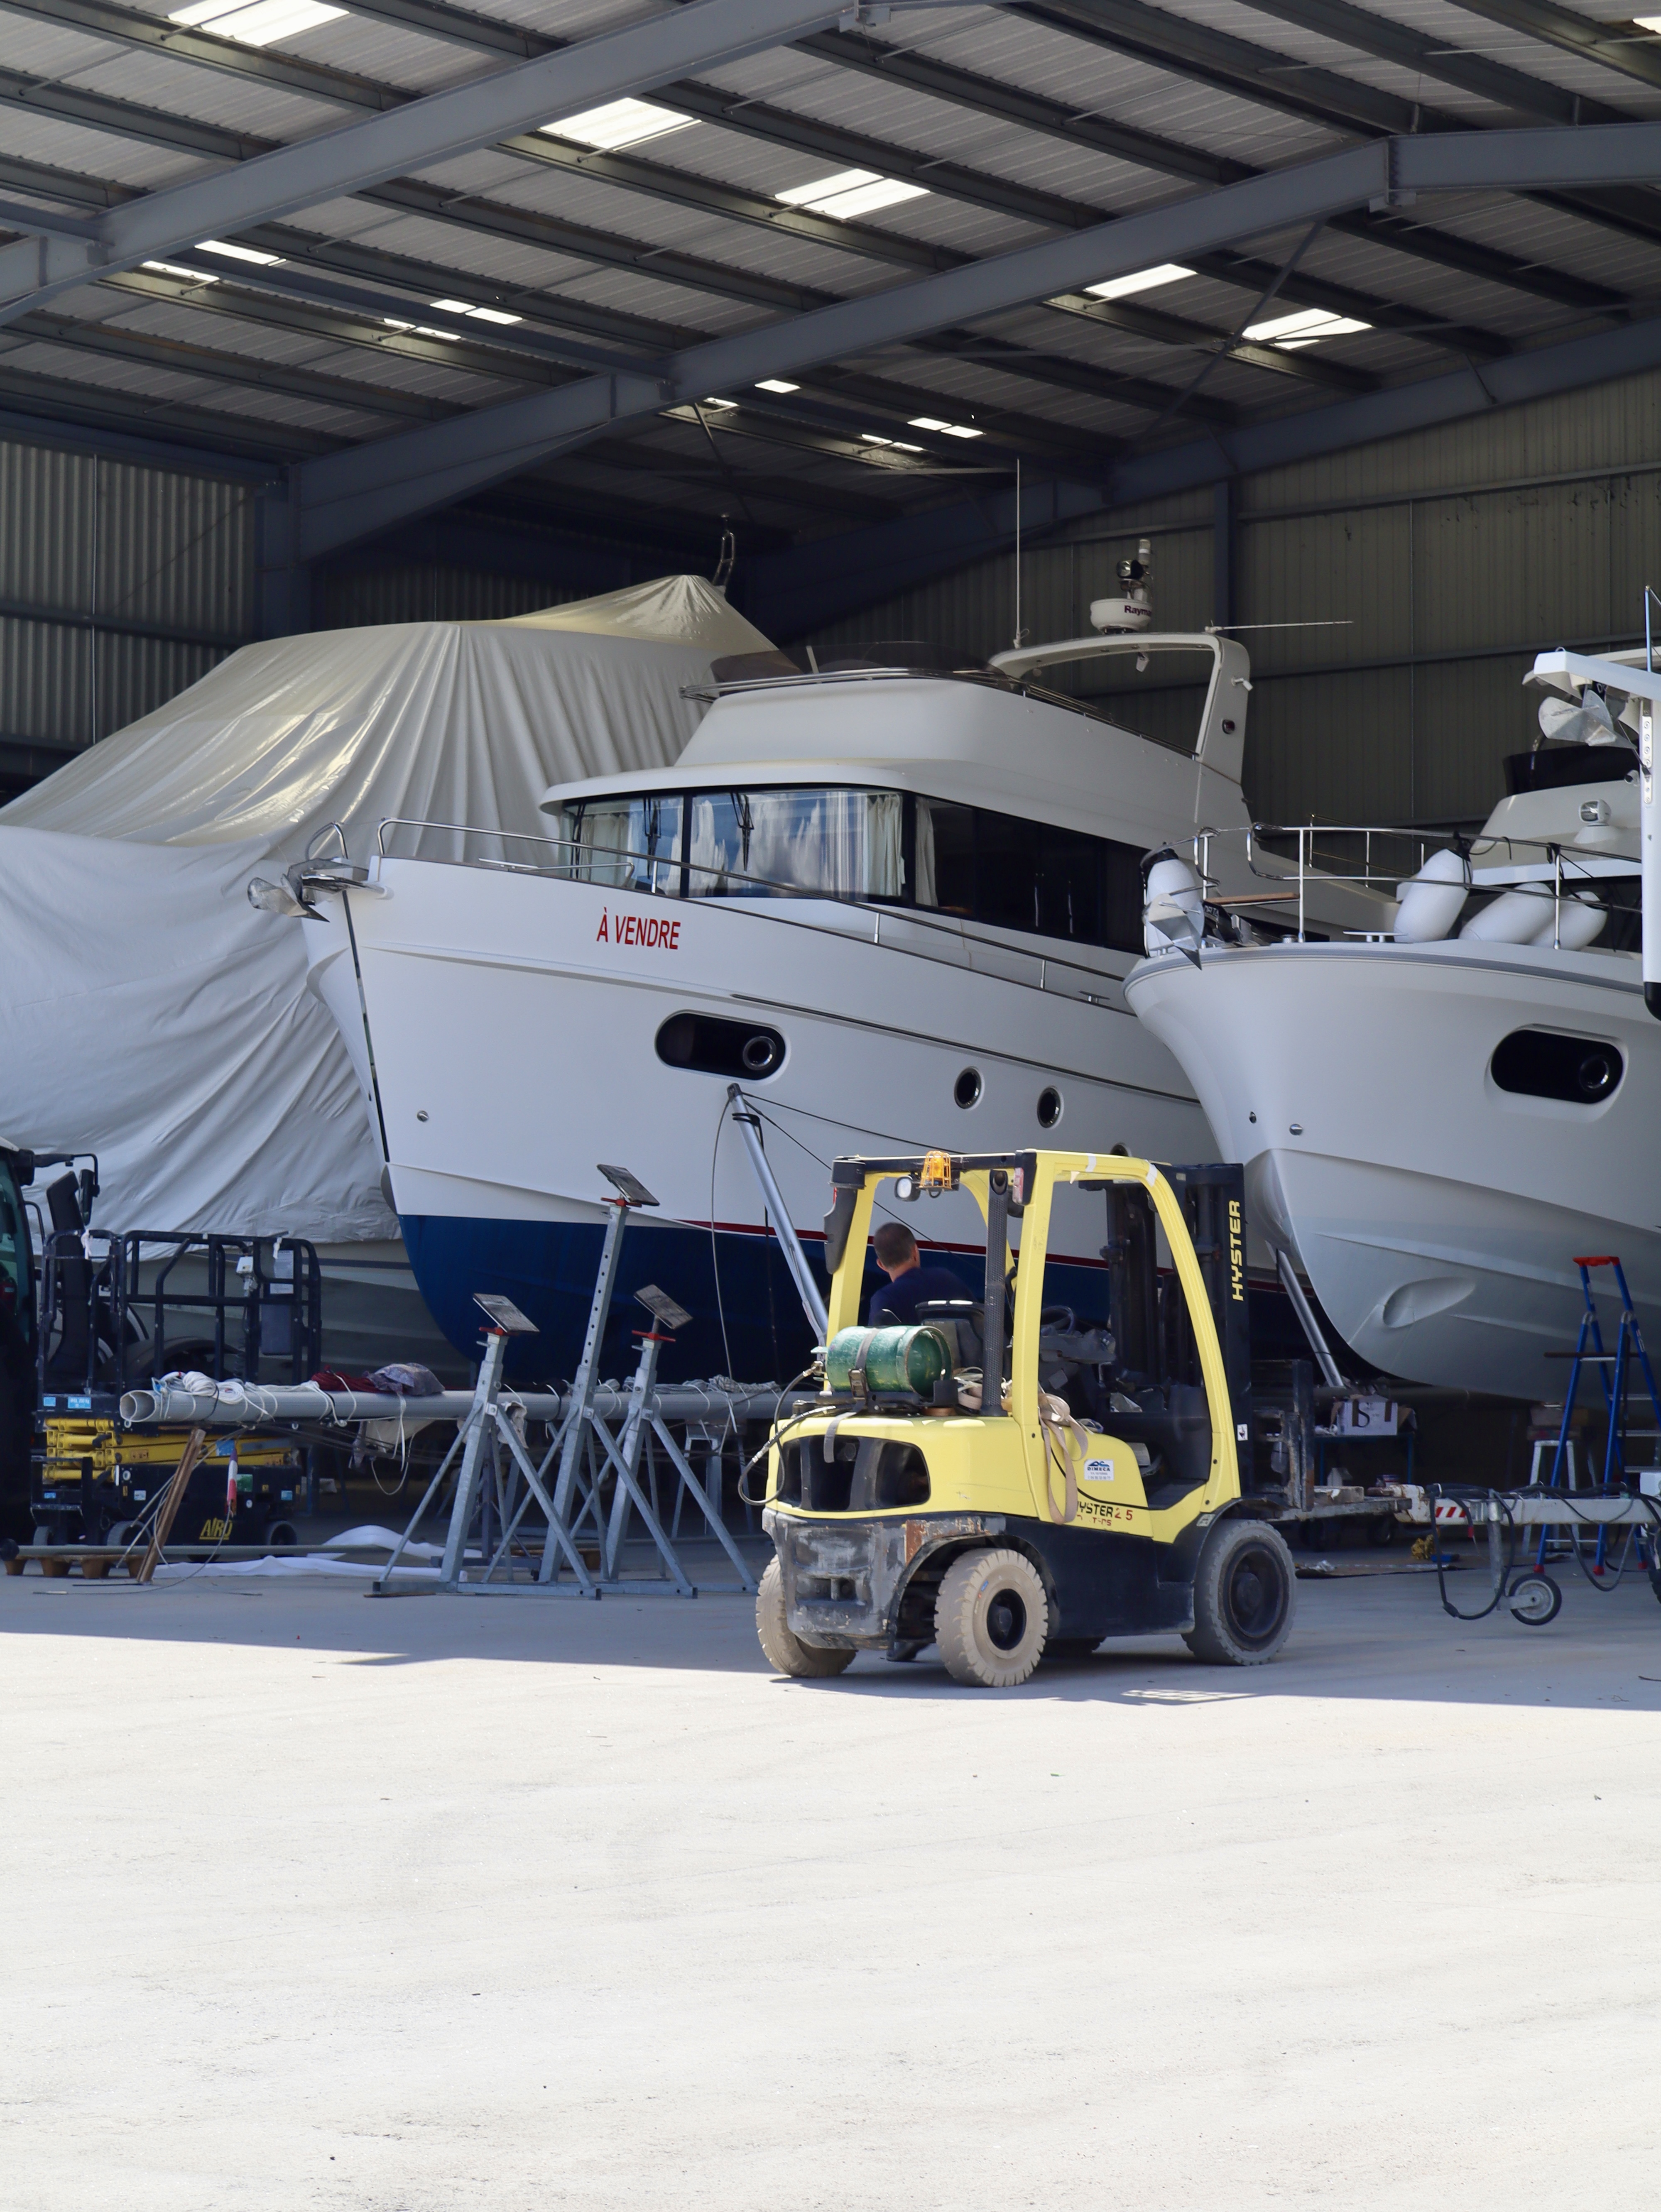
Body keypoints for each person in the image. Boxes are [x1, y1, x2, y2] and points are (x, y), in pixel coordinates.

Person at [867, 1221, 973, 1326]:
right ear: (915, 1250)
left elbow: (878, 1341)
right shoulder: (948, 1278)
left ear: (881, 1265)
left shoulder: (884, 1298)